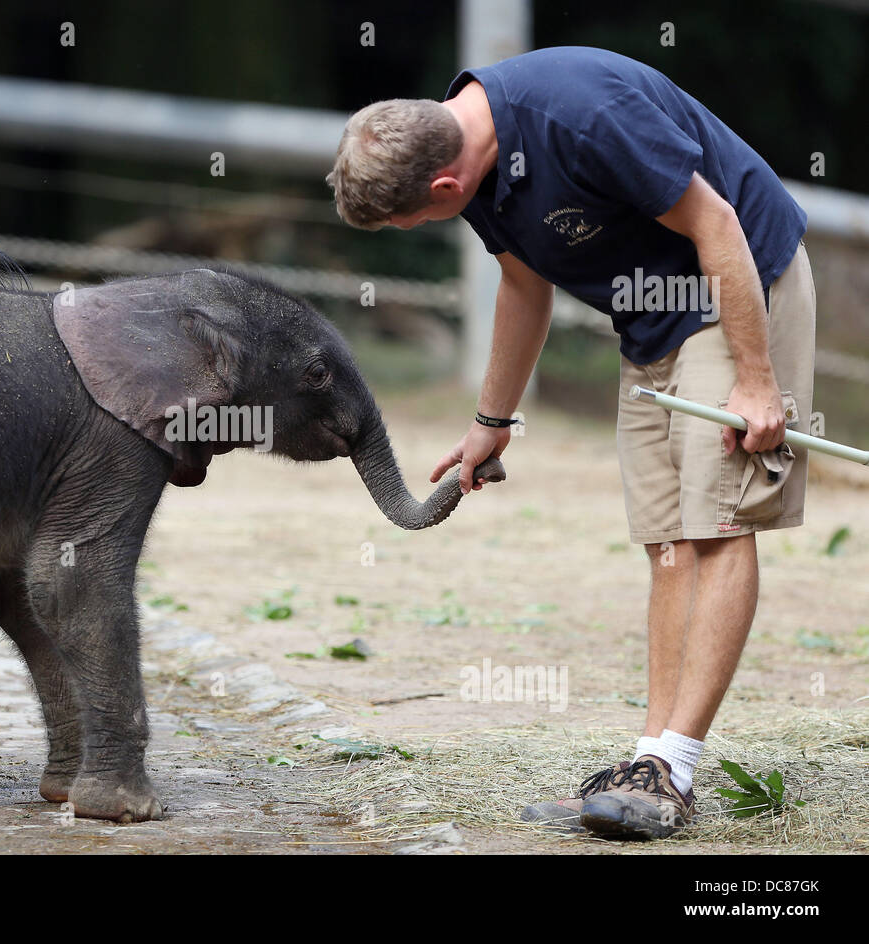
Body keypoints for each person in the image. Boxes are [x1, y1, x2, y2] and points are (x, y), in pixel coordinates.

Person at [325, 46, 814, 840]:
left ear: (443, 186)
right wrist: (491, 422)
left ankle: (676, 770)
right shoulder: (470, 155)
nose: (419, 226)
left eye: (414, 217)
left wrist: (756, 377)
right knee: (665, 537)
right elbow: (525, 285)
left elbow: (717, 223)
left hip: (739, 287)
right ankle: (648, 762)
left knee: (718, 522)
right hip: (651, 319)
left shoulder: (581, 117)